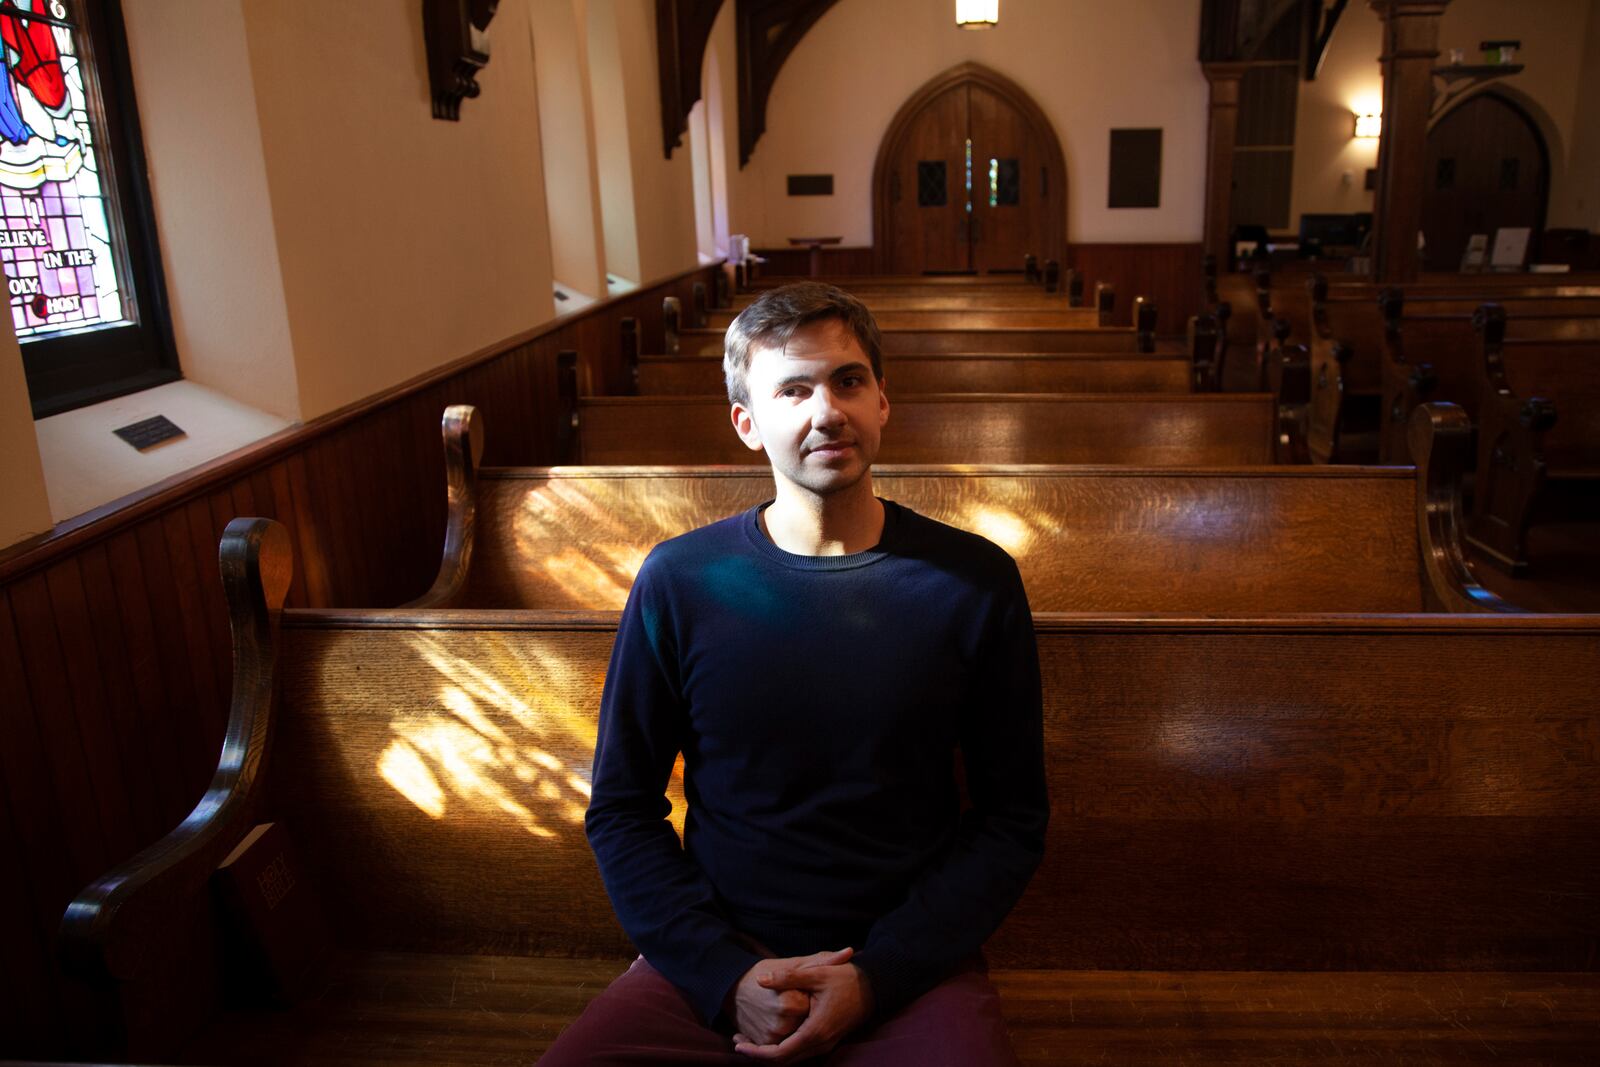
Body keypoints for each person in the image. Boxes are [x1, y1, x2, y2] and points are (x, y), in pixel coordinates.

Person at [539, 282, 1048, 1065]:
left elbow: (1011, 815)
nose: (827, 411)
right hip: (715, 957)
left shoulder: (972, 582)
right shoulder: (680, 580)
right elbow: (621, 808)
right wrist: (725, 971)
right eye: (793, 390)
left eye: (848, 381)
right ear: (748, 423)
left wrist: (880, 974)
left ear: (883, 401)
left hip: (905, 963)